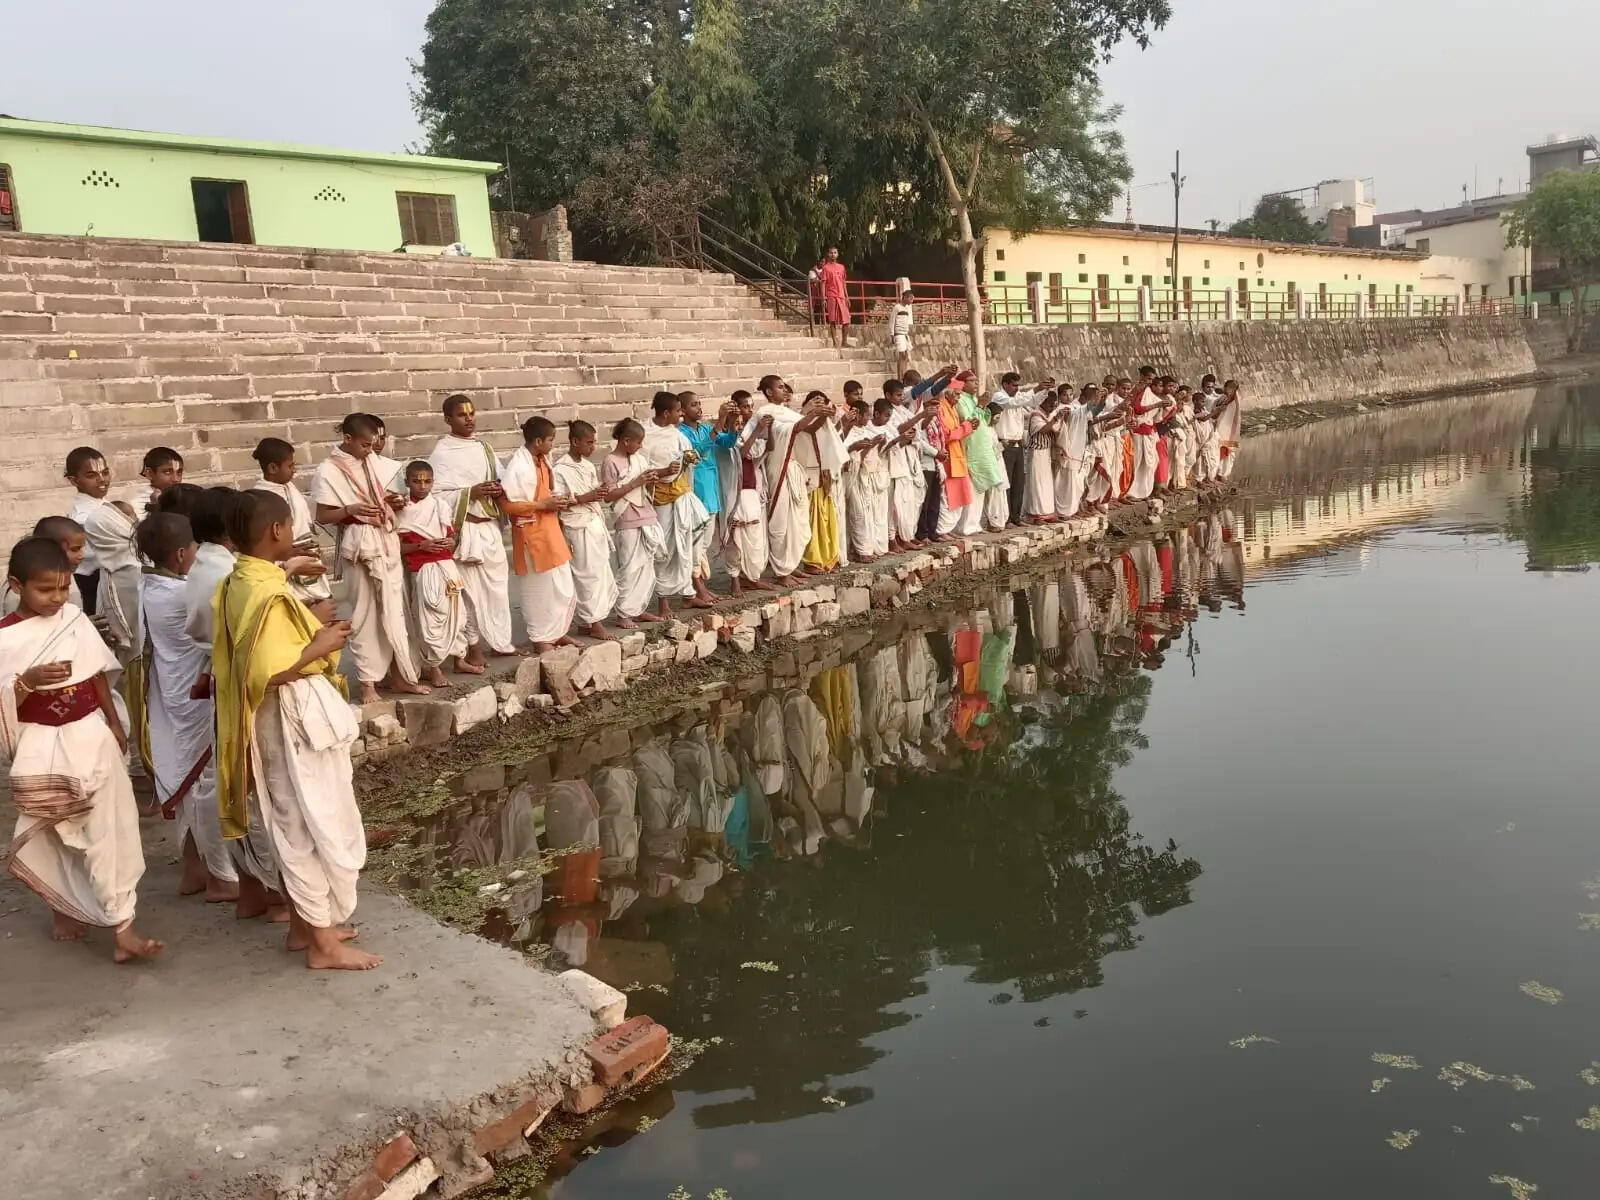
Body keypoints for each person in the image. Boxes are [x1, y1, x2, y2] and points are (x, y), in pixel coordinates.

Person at [212, 490, 378, 971]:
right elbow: (267, 671)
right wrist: (321, 643)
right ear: (276, 530)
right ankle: (323, 945)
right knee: (307, 822)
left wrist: (289, 575)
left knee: (296, 817)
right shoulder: (265, 595)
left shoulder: (238, 580)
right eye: (288, 525)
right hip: (288, 717)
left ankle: (305, 927)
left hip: (278, 717)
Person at [1, 536, 162, 962]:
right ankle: (64, 905)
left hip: (91, 735)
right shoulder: (5, 638)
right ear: (17, 585)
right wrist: (26, 682)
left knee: (113, 828)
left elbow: (96, 673)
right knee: (54, 831)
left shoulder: (73, 618)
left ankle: (123, 928)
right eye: (45, 589)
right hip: (42, 746)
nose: (57, 598)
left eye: (63, 587)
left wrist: (114, 721)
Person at [178, 488, 285, 923]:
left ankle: (250, 889)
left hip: (227, 685)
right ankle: (276, 894)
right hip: (246, 689)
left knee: (236, 786)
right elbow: (267, 651)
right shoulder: (232, 577)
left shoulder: (212, 568)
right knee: (259, 793)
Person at [133, 511, 239, 907]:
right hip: (191, 703)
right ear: (181, 553)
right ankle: (221, 875)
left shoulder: (147, 586)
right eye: (195, 547)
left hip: (169, 695)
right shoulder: (179, 595)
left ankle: (195, 867)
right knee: (204, 790)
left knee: (186, 788)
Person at [311, 413, 424, 702]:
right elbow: (323, 515)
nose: (370, 450)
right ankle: (368, 684)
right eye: (364, 445)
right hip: (358, 548)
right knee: (364, 615)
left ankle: (400, 676)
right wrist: (350, 510)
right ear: (347, 439)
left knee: (395, 612)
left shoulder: (372, 461)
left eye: (372, 444)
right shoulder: (328, 470)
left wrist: (391, 502)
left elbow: (380, 497)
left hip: (385, 542)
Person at [426, 394, 515, 667]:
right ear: (448, 419)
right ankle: (473, 648)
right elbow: (435, 496)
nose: (469, 419)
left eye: (472, 413)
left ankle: (500, 642)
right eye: (462, 415)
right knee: (469, 595)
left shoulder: (484, 448)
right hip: (465, 531)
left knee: (497, 591)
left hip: (489, 529)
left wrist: (498, 489)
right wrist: (470, 493)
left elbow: (503, 479)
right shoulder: (442, 453)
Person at [740, 376, 831, 587]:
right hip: (778, 467)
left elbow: (808, 429)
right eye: (780, 387)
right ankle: (782, 571)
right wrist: (812, 413)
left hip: (793, 468)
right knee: (781, 521)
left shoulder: (788, 412)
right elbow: (791, 430)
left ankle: (791, 565)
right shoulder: (765, 412)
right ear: (769, 392)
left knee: (798, 520)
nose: (785, 390)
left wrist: (822, 416)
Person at [499, 416, 577, 651]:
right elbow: (508, 506)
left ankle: (558, 632)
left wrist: (556, 502)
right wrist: (542, 505)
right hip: (531, 535)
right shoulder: (518, 467)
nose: (553, 444)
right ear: (538, 441)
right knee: (538, 590)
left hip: (551, 530)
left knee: (561, 586)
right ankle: (541, 639)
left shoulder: (543, 461)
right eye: (551, 440)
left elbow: (545, 494)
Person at [396, 461, 470, 687]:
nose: (422, 486)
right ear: (407, 482)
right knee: (429, 618)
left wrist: (451, 541)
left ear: (433, 482)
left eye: (427, 481)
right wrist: (421, 546)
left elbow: (451, 534)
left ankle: (460, 659)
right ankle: (434, 668)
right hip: (422, 569)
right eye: (416, 481)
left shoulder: (440, 505)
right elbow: (395, 547)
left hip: (446, 566)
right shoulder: (401, 509)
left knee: (458, 614)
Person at [552, 420, 619, 639]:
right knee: (586, 575)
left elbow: (592, 492)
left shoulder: (588, 466)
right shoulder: (560, 469)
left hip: (593, 523)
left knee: (600, 572)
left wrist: (599, 492)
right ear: (575, 441)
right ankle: (594, 622)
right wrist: (584, 498)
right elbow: (558, 501)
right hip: (576, 527)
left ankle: (586, 623)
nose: (593, 447)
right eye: (589, 443)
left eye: (594, 442)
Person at [643, 392, 709, 615]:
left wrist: (689, 460)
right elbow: (641, 469)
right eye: (678, 411)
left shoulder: (677, 435)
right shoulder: (645, 436)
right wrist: (663, 472)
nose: (681, 414)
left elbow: (688, 457)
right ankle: (664, 602)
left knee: (686, 543)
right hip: (660, 498)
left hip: (681, 493)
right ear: (666, 413)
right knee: (665, 549)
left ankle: (688, 594)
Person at [250, 438, 333, 612]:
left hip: (305, 554)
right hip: (284, 562)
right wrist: (288, 555)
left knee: (322, 605)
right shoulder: (260, 498)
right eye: (290, 466)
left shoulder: (290, 488)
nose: (294, 470)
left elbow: (304, 522)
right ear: (273, 468)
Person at [602, 419, 665, 626]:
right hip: (627, 518)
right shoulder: (610, 461)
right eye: (638, 442)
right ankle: (623, 614)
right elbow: (609, 496)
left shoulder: (638, 460)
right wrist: (636, 482)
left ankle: (638, 609)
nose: (640, 446)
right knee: (629, 567)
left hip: (646, 515)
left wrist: (650, 482)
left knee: (646, 567)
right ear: (626, 441)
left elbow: (645, 489)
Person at [678, 391, 738, 607]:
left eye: (699, 403)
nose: (699, 408)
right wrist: (720, 421)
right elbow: (699, 450)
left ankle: (699, 586)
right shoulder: (681, 433)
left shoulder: (704, 428)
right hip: (696, 490)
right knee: (695, 544)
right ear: (682, 410)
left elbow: (728, 443)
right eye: (693, 405)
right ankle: (696, 588)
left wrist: (731, 422)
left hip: (711, 489)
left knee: (703, 544)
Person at [720, 394, 772, 596]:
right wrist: (757, 429)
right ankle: (735, 580)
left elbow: (766, 449)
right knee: (735, 538)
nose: (740, 426)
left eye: (742, 423)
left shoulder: (747, 438)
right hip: (734, 493)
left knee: (754, 536)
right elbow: (740, 455)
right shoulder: (725, 441)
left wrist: (767, 429)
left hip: (750, 490)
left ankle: (752, 577)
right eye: (737, 422)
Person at [794, 390, 848, 573]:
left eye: (823, 403)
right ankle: (812, 562)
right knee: (812, 520)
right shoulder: (800, 419)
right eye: (816, 402)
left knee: (827, 519)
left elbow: (831, 444)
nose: (821, 406)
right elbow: (810, 430)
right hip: (808, 474)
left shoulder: (824, 421)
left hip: (824, 473)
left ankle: (828, 559)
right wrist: (820, 415)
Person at [990, 372, 1051, 526]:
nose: (1017, 388)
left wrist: (1045, 390)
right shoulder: (999, 397)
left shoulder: (1017, 398)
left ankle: (1016, 517)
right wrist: (1036, 389)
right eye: (1014, 385)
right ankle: (1006, 518)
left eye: (1018, 385)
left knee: (1018, 482)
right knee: (1007, 483)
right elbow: (1014, 403)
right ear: (1005, 384)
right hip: (1005, 445)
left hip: (1018, 445)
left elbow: (1032, 402)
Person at [64, 447, 111, 615]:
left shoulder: (101, 503)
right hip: (94, 584)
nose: (102, 479)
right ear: (74, 480)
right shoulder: (84, 517)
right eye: (91, 475)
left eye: (105, 472)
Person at [844, 399, 890, 562]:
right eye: (867, 416)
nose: (869, 419)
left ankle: (866, 549)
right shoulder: (849, 433)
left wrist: (879, 443)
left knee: (868, 515)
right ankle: (861, 551)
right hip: (854, 478)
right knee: (859, 515)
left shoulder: (866, 431)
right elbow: (850, 457)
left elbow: (875, 454)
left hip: (867, 478)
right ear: (858, 416)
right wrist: (867, 446)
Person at [1023, 389, 1067, 522]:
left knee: (1046, 484)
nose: (1052, 407)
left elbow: (1055, 431)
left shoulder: (1048, 415)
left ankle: (1047, 513)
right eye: (1049, 404)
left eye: (1054, 405)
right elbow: (1043, 430)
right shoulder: (1036, 415)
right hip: (1036, 453)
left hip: (1046, 452)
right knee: (1037, 484)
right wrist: (1056, 418)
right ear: (1042, 402)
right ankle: (1036, 515)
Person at [1053, 384, 1096, 520]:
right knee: (1065, 482)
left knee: (1076, 482)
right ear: (1060, 396)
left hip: (1077, 449)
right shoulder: (1062, 409)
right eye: (1065, 395)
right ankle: (1063, 511)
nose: (1068, 397)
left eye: (1070, 394)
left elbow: (1087, 417)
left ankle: (1073, 509)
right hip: (1066, 449)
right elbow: (1062, 426)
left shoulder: (1076, 408)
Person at [819, 246, 850, 348]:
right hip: (831, 296)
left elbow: (843, 283)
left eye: (835, 252)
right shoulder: (825, 268)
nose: (833, 254)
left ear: (837, 254)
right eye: (831, 253)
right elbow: (823, 283)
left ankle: (844, 341)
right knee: (832, 320)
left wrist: (847, 297)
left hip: (841, 296)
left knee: (846, 319)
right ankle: (835, 342)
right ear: (828, 254)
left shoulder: (841, 267)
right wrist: (823, 298)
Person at [141, 447, 185, 513]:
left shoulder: (183, 495)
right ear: (150, 474)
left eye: (179, 473)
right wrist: (155, 505)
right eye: (167, 472)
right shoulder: (141, 501)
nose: (175, 479)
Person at [1215, 379, 1243, 479]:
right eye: (1229, 387)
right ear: (1225, 387)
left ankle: (1224, 474)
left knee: (1230, 450)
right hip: (1221, 425)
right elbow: (1215, 409)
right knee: (1219, 447)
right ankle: (1218, 472)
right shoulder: (1222, 398)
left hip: (1231, 427)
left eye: (1233, 388)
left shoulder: (1237, 400)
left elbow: (1236, 415)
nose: (1230, 390)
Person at [890, 289, 915, 377]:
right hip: (898, 333)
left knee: (906, 356)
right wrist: (892, 334)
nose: (912, 301)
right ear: (905, 297)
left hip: (905, 334)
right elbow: (892, 321)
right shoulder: (897, 307)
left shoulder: (907, 309)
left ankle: (904, 375)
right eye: (910, 298)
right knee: (902, 355)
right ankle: (900, 377)